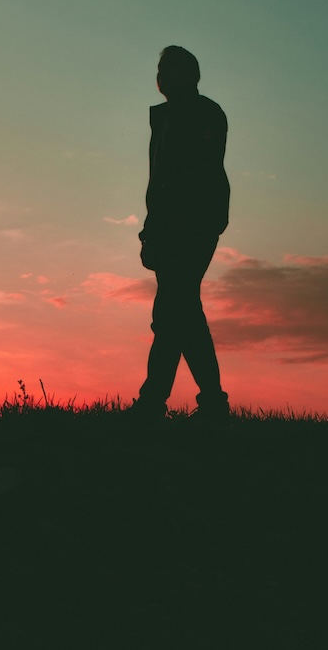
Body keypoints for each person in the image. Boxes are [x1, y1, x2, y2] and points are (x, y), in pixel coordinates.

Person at [126, 45, 231, 427]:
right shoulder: (169, 117)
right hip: (177, 227)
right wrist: (151, 231)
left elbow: (182, 179)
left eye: (165, 69)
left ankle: (161, 403)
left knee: (175, 311)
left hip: (191, 227)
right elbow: (162, 182)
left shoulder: (199, 114)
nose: (160, 76)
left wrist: (158, 231)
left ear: (184, 75)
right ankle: (189, 404)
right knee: (178, 314)